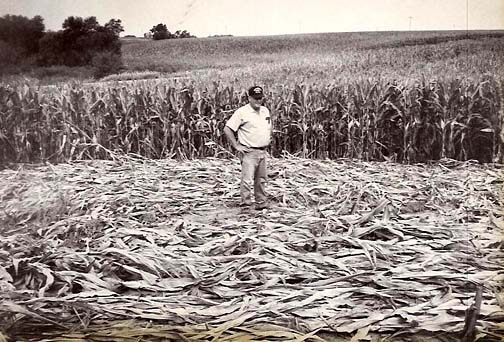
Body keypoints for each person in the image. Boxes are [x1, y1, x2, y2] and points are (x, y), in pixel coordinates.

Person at [223, 85, 272, 211]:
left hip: (262, 150)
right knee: (247, 180)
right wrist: (236, 145)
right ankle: (246, 204)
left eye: (260, 98)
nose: (258, 101)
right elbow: (228, 129)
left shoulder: (265, 111)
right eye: (255, 98)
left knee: (261, 179)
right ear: (249, 98)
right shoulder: (242, 112)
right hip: (249, 151)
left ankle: (261, 202)